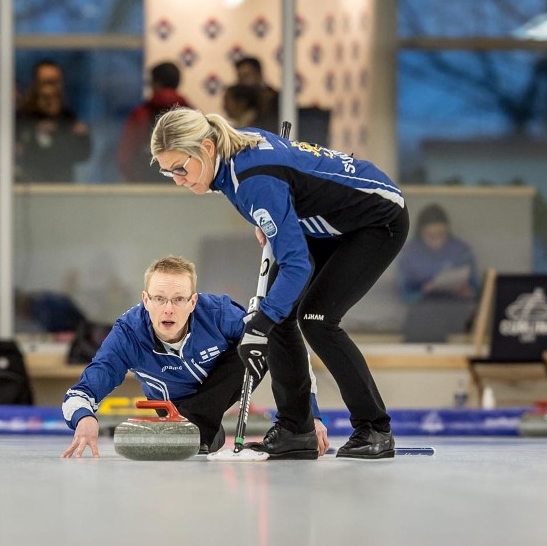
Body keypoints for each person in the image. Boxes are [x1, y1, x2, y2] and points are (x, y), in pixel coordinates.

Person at [150, 108, 409, 460]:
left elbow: (297, 265)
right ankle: (295, 429)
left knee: (316, 319)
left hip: (376, 218)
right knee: (280, 316)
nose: (178, 179)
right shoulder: (232, 157)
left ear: (207, 148)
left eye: (181, 168)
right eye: (168, 172)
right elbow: (283, 188)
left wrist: (263, 318)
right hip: (321, 219)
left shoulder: (253, 178)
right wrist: (271, 217)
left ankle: (375, 428)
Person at [61, 255, 329, 459]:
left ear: (193, 302)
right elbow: (78, 394)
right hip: (173, 413)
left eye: (178, 300)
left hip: (197, 410)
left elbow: (288, 348)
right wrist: (84, 419)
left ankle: (196, 426)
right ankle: (203, 431)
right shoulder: (128, 333)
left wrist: (308, 416)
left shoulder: (218, 313)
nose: (168, 309)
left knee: (261, 338)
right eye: (159, 299)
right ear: (145, 300)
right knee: (203, 442)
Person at [399, 204, 478, 342]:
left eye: (441, 235)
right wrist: (424, 291)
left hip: (456, 312)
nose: (437, 240)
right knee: (425, 318)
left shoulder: (461, 250)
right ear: (420, 233)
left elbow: (477, 289)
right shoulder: (409, 253)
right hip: (422, 316)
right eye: (430, 235)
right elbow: (404, 295)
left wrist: (468, 292)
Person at [117, 61, 193, 183]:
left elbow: (126, 157)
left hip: (147, 189)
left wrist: (137, 183)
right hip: (185, 189)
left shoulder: (140, 115)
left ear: (156, 83)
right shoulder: (193, 116)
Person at [16, 74, 91, 182]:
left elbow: (82, 155)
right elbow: (19, 151)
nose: (50, 101)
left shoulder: (68, 119)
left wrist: (82, 137)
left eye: (55, 96)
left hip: (62, 180)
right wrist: (36, 133)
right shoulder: (25, 120)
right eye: (45, 97)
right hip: (32, 181)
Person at [235, 56, 279, 132]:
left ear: (258, 74)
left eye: (246, 76)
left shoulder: (274, 99)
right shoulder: (243, 102)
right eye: (239, 77)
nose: (242, 81)